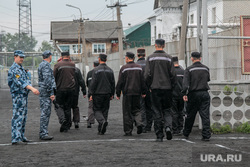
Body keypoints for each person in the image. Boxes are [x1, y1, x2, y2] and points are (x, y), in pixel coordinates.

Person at [144, 39, 176, 142]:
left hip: (155, 88)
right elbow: (173, 75)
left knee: (156, 111)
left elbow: (147, 75)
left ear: (155, 45)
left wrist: (149, 85)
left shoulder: (150, 58)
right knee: (167, 110)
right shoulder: (169, 58)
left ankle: (159, 135)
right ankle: (168, 127)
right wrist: (172, 86)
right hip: (167, 88)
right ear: (164, 45)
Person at [8, 50, 40, 145]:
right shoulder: (14, 69)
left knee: (23, 116)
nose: (22, 59)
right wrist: (32, 89)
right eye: (20, 57)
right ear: (15, 57)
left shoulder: (21, 68)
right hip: (18, 96)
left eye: (23, 57)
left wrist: (30, 87)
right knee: (17, 116)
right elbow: (20, 82)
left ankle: (21, 136)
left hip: (23, 96)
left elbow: (27, 79)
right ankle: (15, 138)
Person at [182, 52, 211, 141]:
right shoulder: (206, 68)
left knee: (190, 115)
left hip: (193, 94)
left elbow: (185, 84)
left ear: (192, 58)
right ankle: (206, 135)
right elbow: (208, 79)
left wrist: (184, 94)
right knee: (205, 115)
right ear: (200, 58)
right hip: (205, 93)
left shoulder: (189, 69)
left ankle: (186, 133)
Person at [116, 52, 147, 136]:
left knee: (127, 112)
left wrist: (118, 93)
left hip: (127, 93)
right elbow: (143, 81)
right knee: (137, 110)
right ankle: (139, 123)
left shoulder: (124, 68)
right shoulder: (139, 68)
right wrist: (144, 92)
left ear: (127, 58)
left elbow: (120, 82)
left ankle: (128, 131)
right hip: (137, 93)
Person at [89, 54, 115, 135]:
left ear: (99, 59)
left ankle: (102, 122)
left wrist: (91, 94)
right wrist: (112, 93)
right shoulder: (110, 70)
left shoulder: (96, 70)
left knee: (96, 110)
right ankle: (101, 129)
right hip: (107, 93)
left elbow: (93, 83)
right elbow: (113, 83)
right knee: (105, 110)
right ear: (106, 60)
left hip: (97, 93)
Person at [53, 51, 76, 132]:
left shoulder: (58, 65)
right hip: (71, 89)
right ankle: (68, 125)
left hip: (60, 89)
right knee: (68, 107)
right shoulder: (72, 65)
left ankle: (63, 120)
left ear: (61, 56)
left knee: (59, 106)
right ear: (69, 56)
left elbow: (54, 76)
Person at [38, 50, 56, 140]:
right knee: (45, 112)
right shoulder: (46, 65)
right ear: (49, 56)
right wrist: (51, 93)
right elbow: (47, 80)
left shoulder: (42, 64)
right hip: (46, 91)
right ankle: (43, 133)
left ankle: (43, 132)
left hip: (43, 91)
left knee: (44, 112)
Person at [136, 48, 153, 133]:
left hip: (139, 90)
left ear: (137, 55)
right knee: (149, 107)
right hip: (149, 89)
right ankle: (149, 126)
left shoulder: (136, 65)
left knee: (141, 108)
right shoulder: (149, 64)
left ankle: (143, 125)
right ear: (145, 54)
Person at [172, 56, 185, 136]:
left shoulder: (170, 72)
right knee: (181, 111)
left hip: (173, 95)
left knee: (174, 112)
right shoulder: (183, 71)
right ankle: (180, 128)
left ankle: (175, 129)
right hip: (181, 95)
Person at [86, 60, 99, 128]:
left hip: (91, 93)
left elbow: (87, 84)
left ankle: (90, 121)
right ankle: (101, 121)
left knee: (91, 107)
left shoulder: (89, 73)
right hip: (99, 92)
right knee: (100, 108)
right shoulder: (100, 73)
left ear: (93, 65)